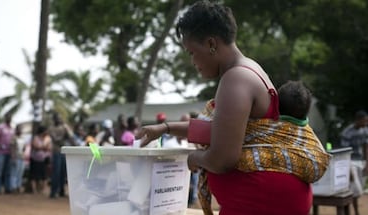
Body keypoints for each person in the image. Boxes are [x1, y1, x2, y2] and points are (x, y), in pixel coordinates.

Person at [136, 2, 325, 214]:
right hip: (267, 200)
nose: (193, 61)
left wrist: (194, 158)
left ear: (211, 44)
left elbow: (223, 159)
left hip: (262, 202)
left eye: (191, 52)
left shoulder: (236, 79)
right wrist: (165, 128)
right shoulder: (247, 71)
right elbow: (222, 130)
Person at [340, 110, 368, 215]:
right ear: (358, 120)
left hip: (361, 161)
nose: (366, 123)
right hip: (351, 161)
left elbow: (366, 146)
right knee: (355, 188)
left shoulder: (365, 130)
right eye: (364, 121)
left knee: (358, 190)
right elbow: (345, 153)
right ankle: (355, 211)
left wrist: (367, 163)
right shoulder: (347, 132)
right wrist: (348, 168)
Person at [48, 113, 74, 198]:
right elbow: (56, 139)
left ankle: (61, 191)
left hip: (64, 151)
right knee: (56, 172)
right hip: (56, 151)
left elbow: (71, 136)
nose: (59, 120)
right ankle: (53, 192)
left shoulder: (64, 127)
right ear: (54, 119)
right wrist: (64, 137)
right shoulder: (51, 128)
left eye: (59, 118)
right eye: (57, 118)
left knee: (63, 172)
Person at [0, 113, 14, 194]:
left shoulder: (12, 128)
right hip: (0, 152)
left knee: (8, 171)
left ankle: (8, 188)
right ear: (5, 118)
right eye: (8, 117)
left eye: (10, 117)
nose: (9, 118)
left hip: (9, 152)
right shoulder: (1, 127)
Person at [30, 125, 51, 194]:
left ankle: (42, 190)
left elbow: (48, 148)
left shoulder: (47, 138)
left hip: (44, 159)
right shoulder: (36, 138)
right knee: (34, 175)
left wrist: (41, 147)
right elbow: (35, 147)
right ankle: (34, 190)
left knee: (44, 175)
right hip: (35, 159)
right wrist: (43, 147)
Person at [10, 124, 28, 193]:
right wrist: (13, 157)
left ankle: (18, 186)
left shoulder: (22, 138)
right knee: (14, 172)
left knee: (20, 173)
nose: (20, 131)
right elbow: (12, 148)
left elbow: (24, 147)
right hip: (16, 157)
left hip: (22, 157)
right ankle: (13, 187)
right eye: (19, 129)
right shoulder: (14, 138)